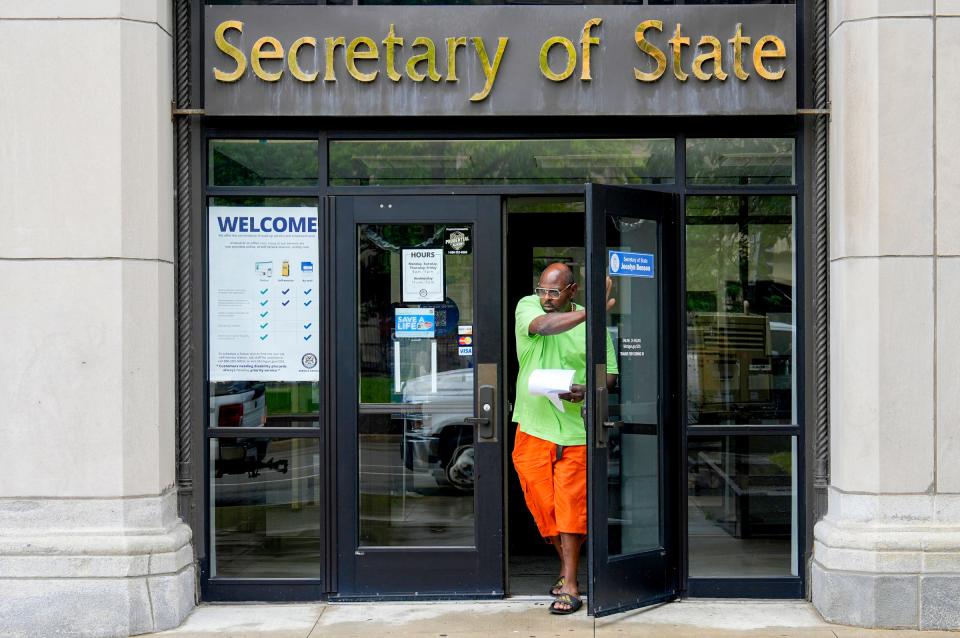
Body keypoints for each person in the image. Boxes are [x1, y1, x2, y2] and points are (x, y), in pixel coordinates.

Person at [511, 262, 618, 615]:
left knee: (571, 509)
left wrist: (585, 391)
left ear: (571, 291)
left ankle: (570, 584)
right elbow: (543, 327)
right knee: (545, 508)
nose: (546, 297)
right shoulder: (529, 306)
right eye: (542, 289)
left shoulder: (593, 325)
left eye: (554, 292)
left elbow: (610, 377)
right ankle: (566, 569)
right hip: (532, 427)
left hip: (575, 432)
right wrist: (592, 312)